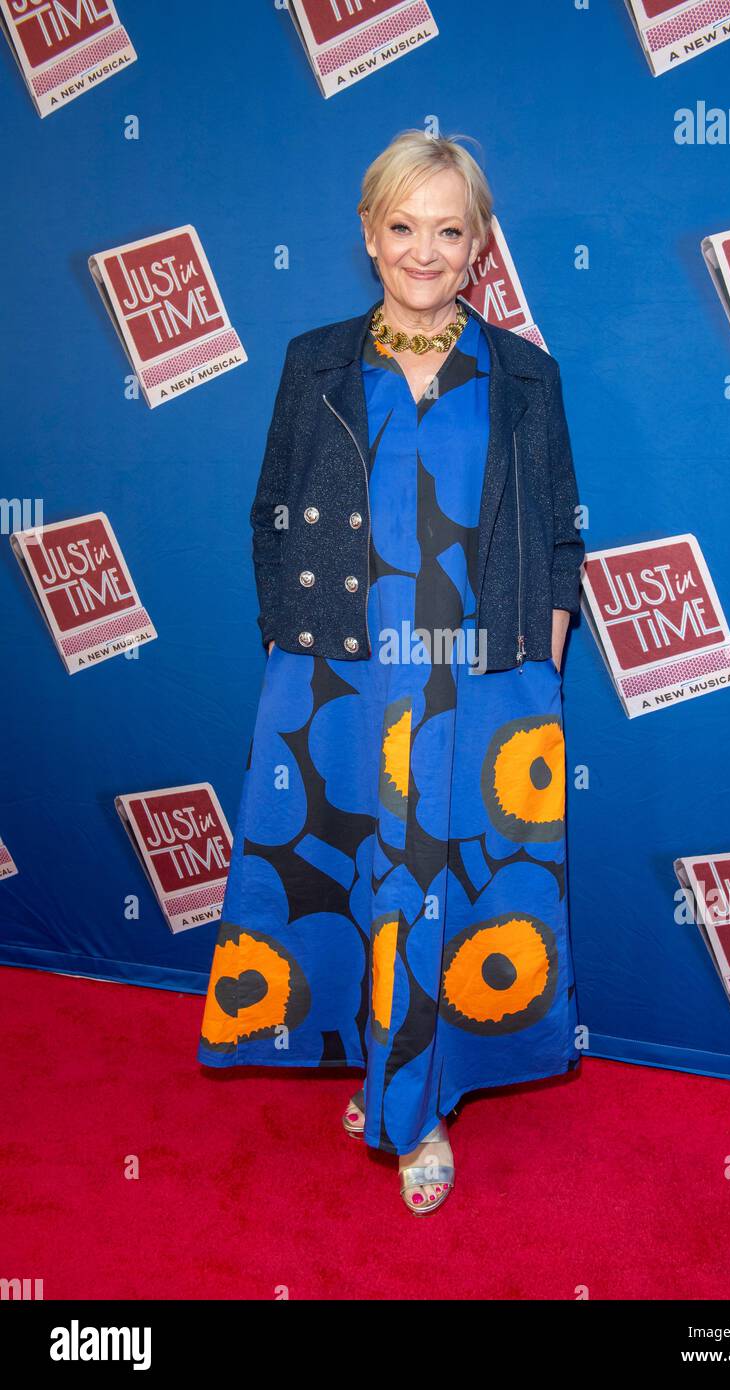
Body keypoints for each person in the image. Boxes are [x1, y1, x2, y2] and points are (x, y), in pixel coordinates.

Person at [197, 128, 586, 1215]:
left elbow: (559, 530)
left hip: (480, 685)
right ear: (369, 233)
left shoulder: (523, 375)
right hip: (343, 676)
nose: (424, 250)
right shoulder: (315, 362)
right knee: (360, 878)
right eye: (402, 226)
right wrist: (286, 642)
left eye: (448, 230)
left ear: (478, 246)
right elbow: (270, 514)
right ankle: (385, 1066)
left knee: (445, 886)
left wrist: (540, 662)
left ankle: (416, 1110)